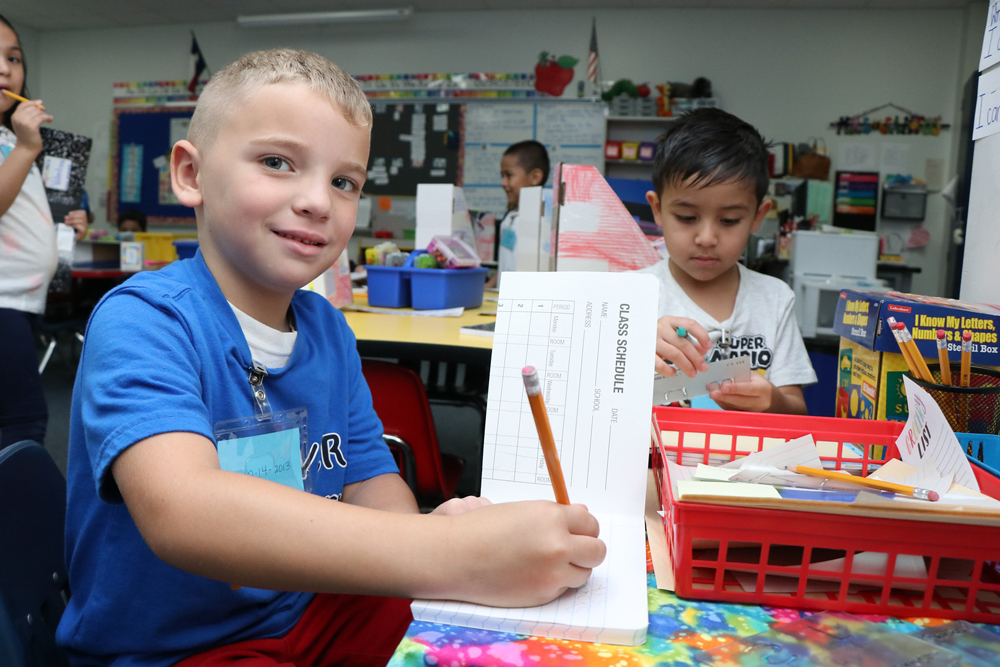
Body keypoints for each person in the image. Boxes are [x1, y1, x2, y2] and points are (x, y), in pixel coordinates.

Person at [57, 49, 605, 667]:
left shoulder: (327, 328)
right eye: (276, 162)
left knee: (496, 636)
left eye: (343, 181)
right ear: (191, 174)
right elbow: (184, 513)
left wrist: (438, 533)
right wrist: (454, 553)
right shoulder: (146, 319)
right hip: (174, 648)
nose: (318, 200)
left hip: (307, 610)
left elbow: (372, 482)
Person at [639, 108, 815, 414]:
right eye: (687, 217)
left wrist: (772, 401)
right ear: (657, 209)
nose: (707, 237)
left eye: (730, 220)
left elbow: (796, 411)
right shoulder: (632, 295)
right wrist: (633, 341)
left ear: (758, 216)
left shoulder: (774, 299)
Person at [0, 14, 87, 449]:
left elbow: (16, 211)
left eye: (13, 57)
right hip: (2, 298)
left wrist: (65, 228)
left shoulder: (9, 136)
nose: (5, 68)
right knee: (24, 423)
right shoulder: (21, 143)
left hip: (23, 299)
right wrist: (28, 147)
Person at [489, 139, 549, 287]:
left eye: (509, 175)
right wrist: (490, 284)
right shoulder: (511, 216)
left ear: (535, 177)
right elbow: (507, 261)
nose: (503, 182)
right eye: (502, 176)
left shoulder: (543, 220)